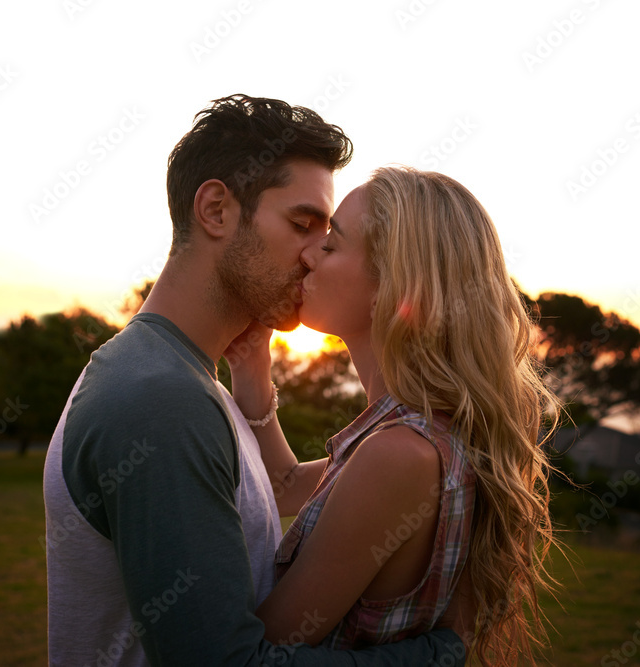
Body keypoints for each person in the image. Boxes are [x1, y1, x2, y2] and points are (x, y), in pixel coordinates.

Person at [42, 95, 468, 665]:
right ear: (217, 210)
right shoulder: (161, 400)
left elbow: (290, 482)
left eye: (330, 235)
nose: (317, 252)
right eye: (302, 223)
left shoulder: (193, 384)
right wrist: (435, 656)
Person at [229, 166, 560, 665]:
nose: (307, 254)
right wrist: (253, 369)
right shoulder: (425, 435)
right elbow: (285, 485)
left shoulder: (399, 455)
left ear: (393, 287)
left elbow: (259, 653)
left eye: (332, 245)